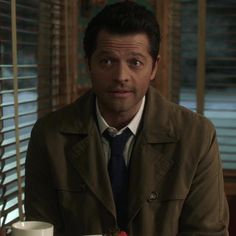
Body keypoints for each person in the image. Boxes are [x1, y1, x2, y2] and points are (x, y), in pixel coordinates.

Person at [25, 1, 229, 235]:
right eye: (107, 61)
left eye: (135, 62)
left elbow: (207, 232)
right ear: (88, 64)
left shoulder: (196, 136)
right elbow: (39, 228)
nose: (121, 76)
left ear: (154, 68)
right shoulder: (49, 135)